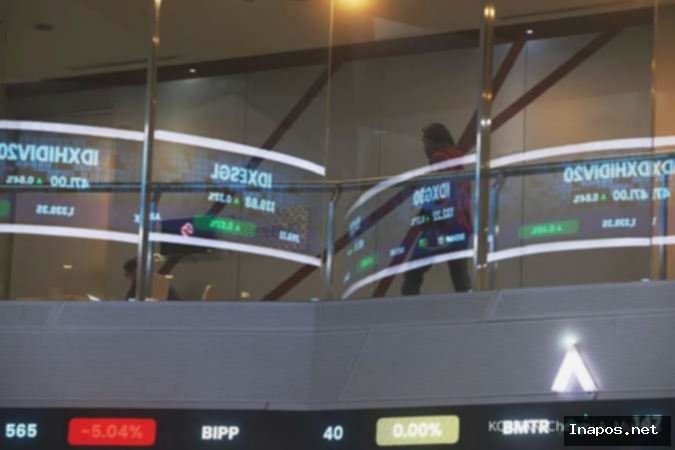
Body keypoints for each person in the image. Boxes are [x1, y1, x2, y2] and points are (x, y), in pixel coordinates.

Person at [401, 123, 472, 296]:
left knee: (412, 273)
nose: (424, 148)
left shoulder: (439, 158)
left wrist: (422, 217)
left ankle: (407, 308)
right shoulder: (458, 161)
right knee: (459, 275)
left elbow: (437, 192)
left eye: (425, 143)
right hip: (460, 226)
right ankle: (470, 306)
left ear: (434, 142)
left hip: (439, 226)